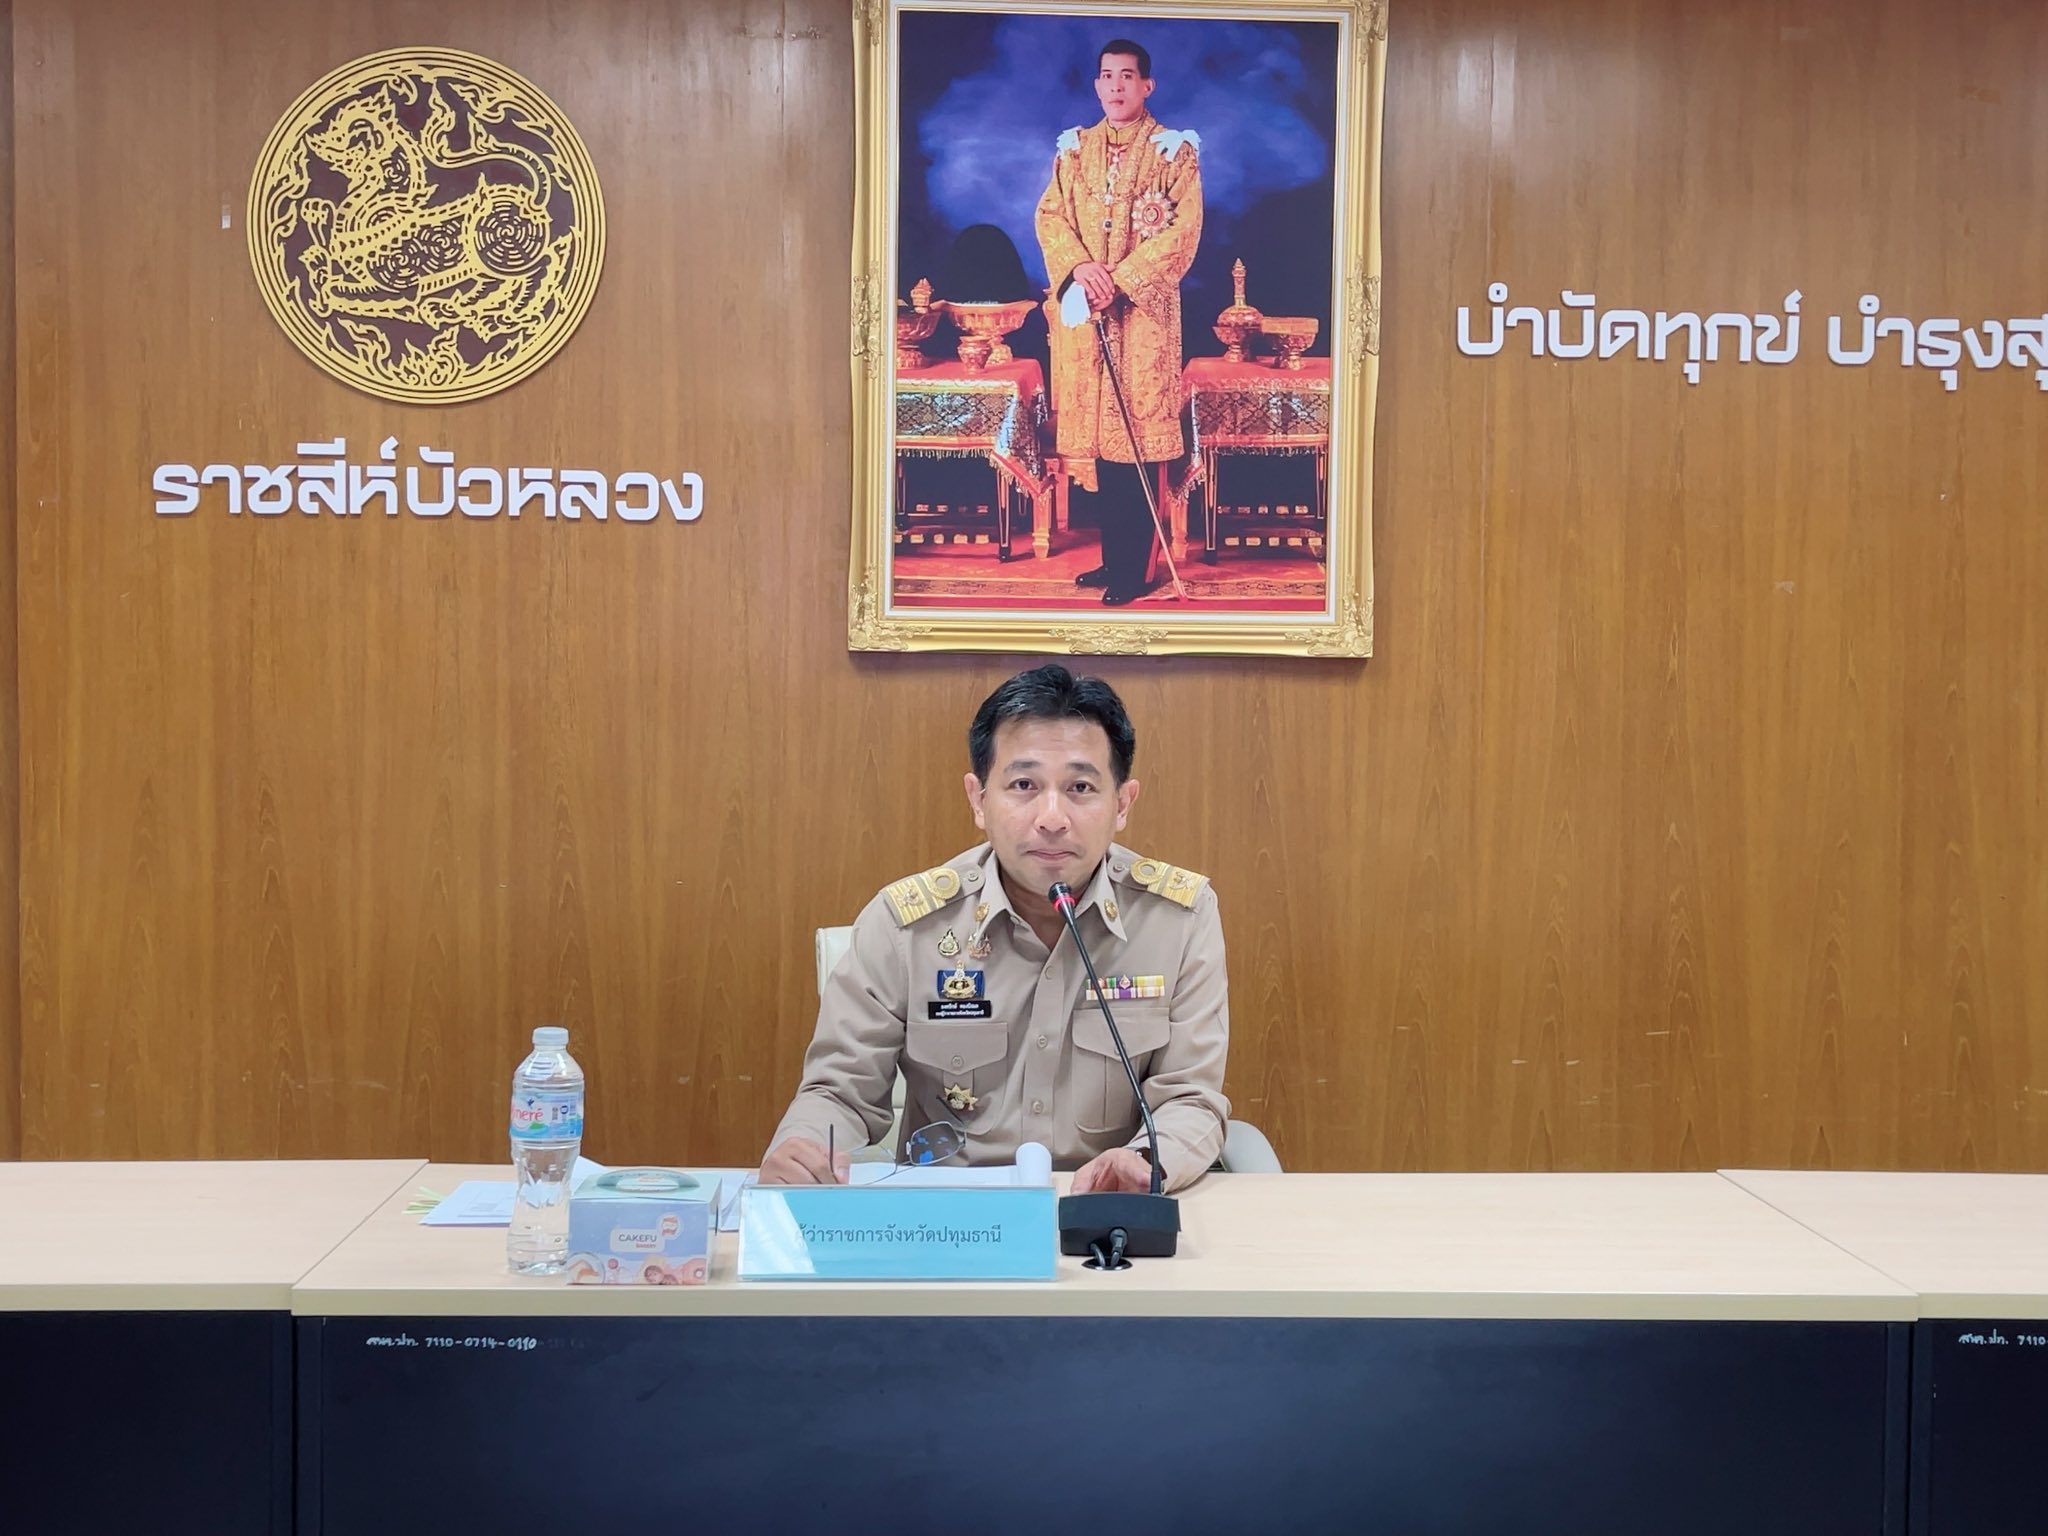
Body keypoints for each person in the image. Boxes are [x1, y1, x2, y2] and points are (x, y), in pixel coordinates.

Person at [760, 663, 1229, 1193]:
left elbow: (1190, 1098)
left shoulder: (1177, 919)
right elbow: (841, 1091)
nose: (1052, 817)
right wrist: (802, 1149)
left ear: (1122, 804)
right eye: (1023, 785)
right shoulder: (905, 925)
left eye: (1080, 787)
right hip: (948, 1227)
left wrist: (1148, 1162)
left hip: (1104, 1212)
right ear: (978, 799)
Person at [1035, 38, 1204, 606]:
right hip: (1089, 312)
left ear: (1146, 85)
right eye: (1106, 77)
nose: (1115, 86)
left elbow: (1182, 235)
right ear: (1097, 85)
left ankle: (1140, 569)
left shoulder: (1173, 152)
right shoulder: (1073, 150)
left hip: (1143, 320)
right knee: (1105, 447)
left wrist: (1120, 280)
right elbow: (1051, 217)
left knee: (1135, 443)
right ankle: (1114, 560)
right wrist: (1082, 269)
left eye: (1127, 77)